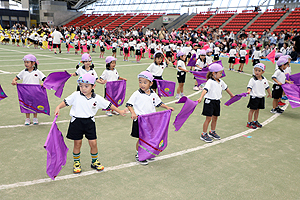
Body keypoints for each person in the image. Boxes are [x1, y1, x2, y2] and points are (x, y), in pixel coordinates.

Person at [54, 73, 126, 173]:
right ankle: (76, 163)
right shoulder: (76, 95)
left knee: (93, 143)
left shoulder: (97, 98)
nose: (83, 88)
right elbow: (66, 102)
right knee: (77, 143)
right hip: (76, 122)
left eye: (86, 86)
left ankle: (94, 162)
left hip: (89, 123)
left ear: (93, 86)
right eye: (81, 86)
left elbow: (109, 105)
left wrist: (120, 111)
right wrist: (58, 107)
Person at [126, 71, 174, 165]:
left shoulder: (153, 94)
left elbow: (159, 103)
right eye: (140, 81)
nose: (142, 84)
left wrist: (167, 107)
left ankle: (147, 153)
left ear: (151, 83)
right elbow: (129, 104)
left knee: (149, 137)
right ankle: (139, 154)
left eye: (145, 82)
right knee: (141, 138)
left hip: (151, 120)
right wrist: (133, 113)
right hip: (140, 119)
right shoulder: (137, 94)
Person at [197, 63, 234, 143]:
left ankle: (212, 132)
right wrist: (200, 97)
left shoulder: (220, 81)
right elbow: (205, 90)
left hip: (217, 101)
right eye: (220, 73)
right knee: (208, 118)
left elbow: (226, 88)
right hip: (209, 102)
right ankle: (204, 134)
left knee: (215, 118)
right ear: (214, 73)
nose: (221, 74)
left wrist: (231, 95)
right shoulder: (210, 82)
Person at [11, 54, 46, 125]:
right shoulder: (23, 72)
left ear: (33, 63)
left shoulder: (37, 72)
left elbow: (45, 79)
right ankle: (27, 118)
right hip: (25, 92)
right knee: (26, 104)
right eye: (25, 62)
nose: (26, 64)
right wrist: (14, 81)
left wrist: (43, 83)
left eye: (27, 62)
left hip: (35, 92)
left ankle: (35, 118)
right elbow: (16, 78)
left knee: (35, 104)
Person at [246, 63, 271, 129]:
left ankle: (255, 121)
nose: (257, 72)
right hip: (254, 97)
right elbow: (249, 86)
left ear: (263, 72)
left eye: (259, 71)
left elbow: (267, 87)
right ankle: (249, 122)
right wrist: (248, 91)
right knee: (252, 110)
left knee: (257, 110)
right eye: (256, 70)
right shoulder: (253, 80)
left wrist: (269, 93)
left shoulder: (264, 79)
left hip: (261, 97)